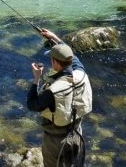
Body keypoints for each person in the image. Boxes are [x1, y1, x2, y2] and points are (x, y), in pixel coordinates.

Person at [26, 28, 92, 167]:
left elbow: (32, 104)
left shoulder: (53, 91)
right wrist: (54, 37)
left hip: (56, 142)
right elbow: (74, 58)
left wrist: (36, 79)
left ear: (55, 63)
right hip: (77, 134)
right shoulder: (81, 74)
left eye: (51, 58)